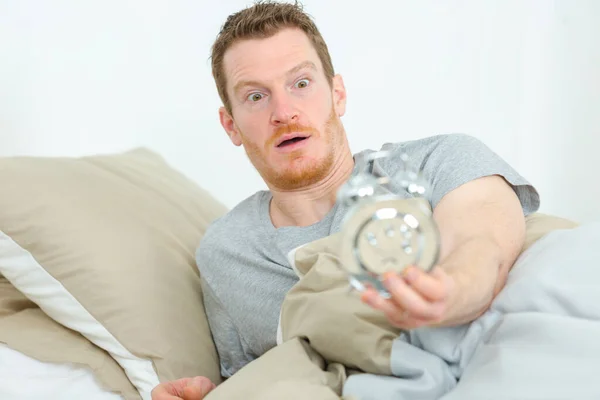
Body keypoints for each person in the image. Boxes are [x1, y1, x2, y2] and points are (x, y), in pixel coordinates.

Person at [151, 1, 540, 399]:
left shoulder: (437, 160)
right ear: (230, 125)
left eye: (301, 83)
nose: (284, 111)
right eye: (255, 96)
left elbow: (484, 242)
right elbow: (260, 377)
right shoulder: (227, 253)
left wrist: (451, 292)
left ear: (337, 94)